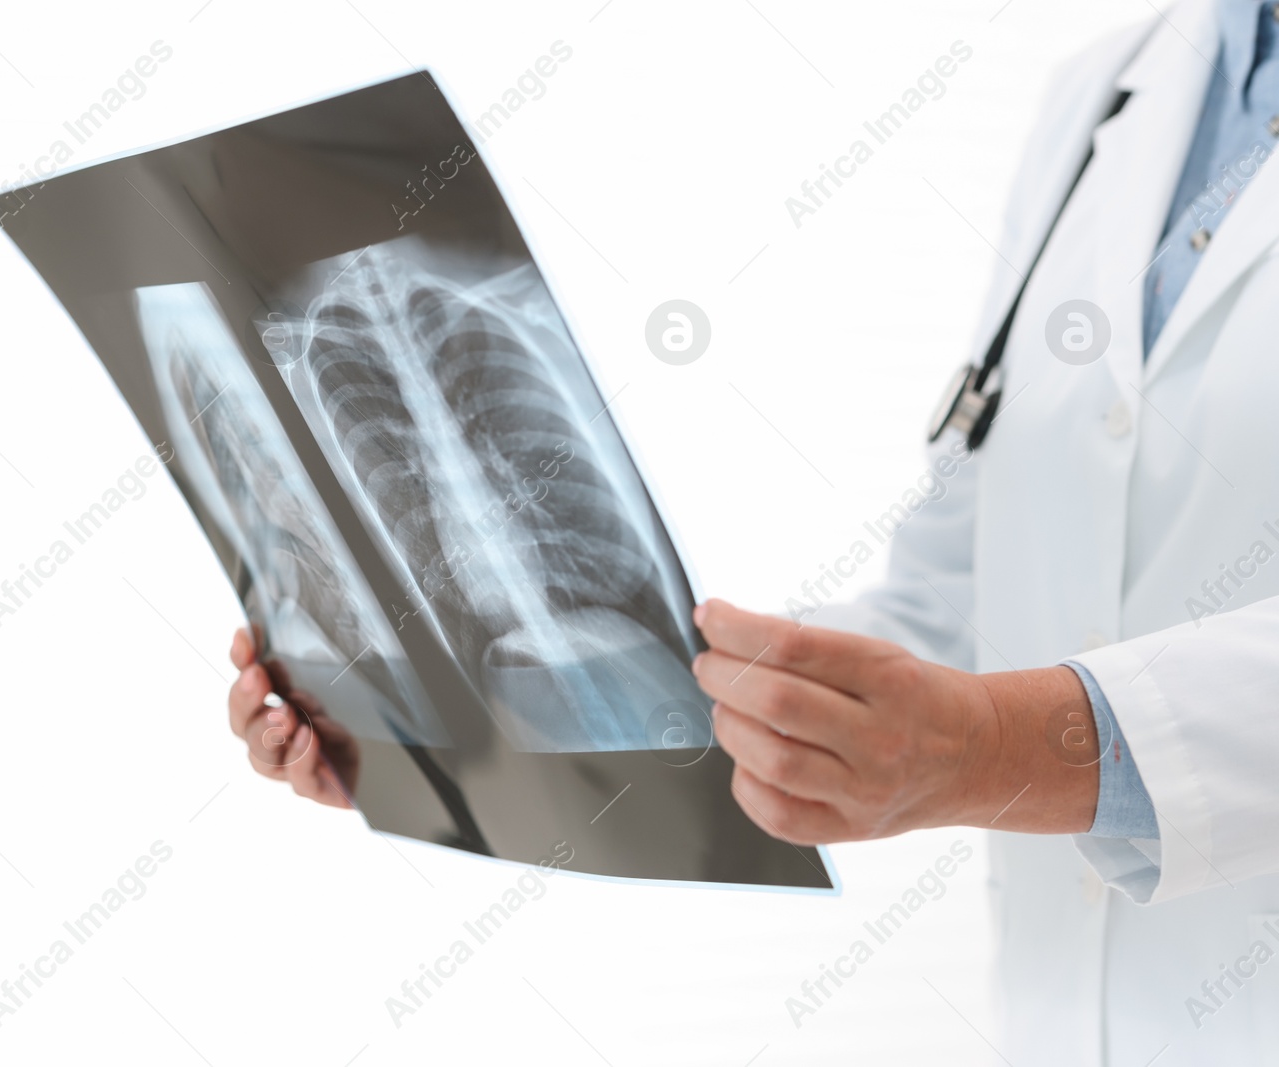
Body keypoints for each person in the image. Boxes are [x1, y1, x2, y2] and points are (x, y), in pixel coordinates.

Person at [229, 0, 1279, 1060]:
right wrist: (439, 725)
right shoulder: (1104, 92)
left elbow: (990, 712)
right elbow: (959, 595)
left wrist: (995, 743)